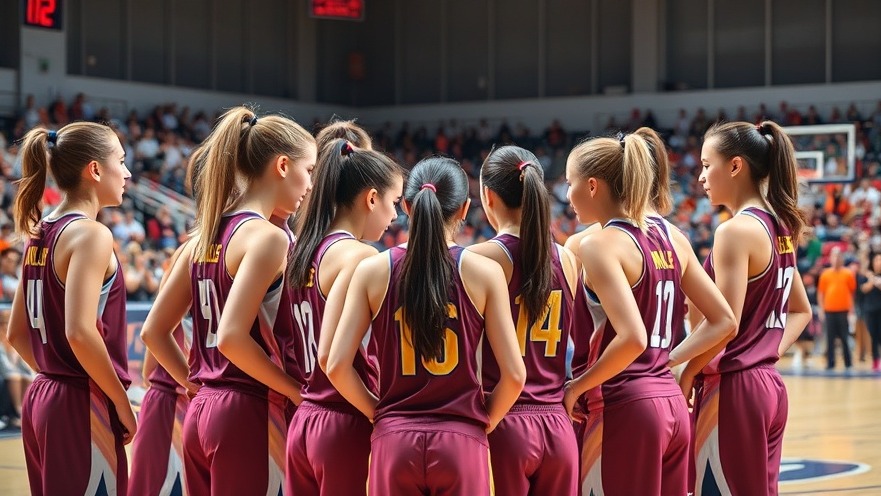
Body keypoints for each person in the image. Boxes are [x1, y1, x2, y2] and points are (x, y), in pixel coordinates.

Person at [141, 107, 316, 495]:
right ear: (283, 165)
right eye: (309, 170)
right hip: (249, 411)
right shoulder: (267, 238)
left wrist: (195, 385)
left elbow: (154, 332)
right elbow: (231, 338)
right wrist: (293, 390)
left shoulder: (201, 237)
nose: (310, 184)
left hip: (203, 411)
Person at [327, 157, 526, 495]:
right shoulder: (484, 271)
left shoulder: (372, 270)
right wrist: (483, 422)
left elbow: (336, 366)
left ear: (407, 205)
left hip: (394, 441)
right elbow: (515, 376)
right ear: (464, 209)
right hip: (461, 440)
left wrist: (380, 414)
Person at [562, 133, 736, 495]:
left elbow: (633, 338)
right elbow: (724, 320)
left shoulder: (595, 244)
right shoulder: (672, 234)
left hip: (624, 406)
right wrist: (671, 362)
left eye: (569, 183)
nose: (566, 196)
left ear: (592, 186)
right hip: (671, 403)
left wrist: (577, 386)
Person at [684, 120, 812, 495]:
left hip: (734, 389)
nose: (702, 176)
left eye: (708, 165)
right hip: (769, 385)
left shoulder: (735, 231)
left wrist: (680, 366)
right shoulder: (778, 226)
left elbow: (725, 324)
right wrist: (766, 349)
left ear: (736, 166)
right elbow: (801, 311)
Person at [7, 123, 135, 495]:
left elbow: (17, 333)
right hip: (79, 401)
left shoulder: (41, 232)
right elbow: (79, 332)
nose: (127, 173)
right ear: (95, 170)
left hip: (43, 394)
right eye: (121, 162)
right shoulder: (92, 234)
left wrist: (54, 374)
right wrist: (121, 404)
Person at [285, 139, 404, 495]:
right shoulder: (359, 257)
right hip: (345, 420)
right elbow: (333, 359)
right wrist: (375, 412)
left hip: (306, 419)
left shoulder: (303, 249)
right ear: (371, 199)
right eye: (393, 203)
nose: (395, 215)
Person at [466, 145, 580, 494]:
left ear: (487, 195)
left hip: (500, 420)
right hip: (557, 426)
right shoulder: (568, 258)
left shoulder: (477, 258)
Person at [129, 145, 207, 496]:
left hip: (173, 398)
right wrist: (196, 387)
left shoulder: (191, 249)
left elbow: (147, 369)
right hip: (179, 402)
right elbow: (153, 338)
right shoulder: (196, 251)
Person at [818, 246, 856, 371]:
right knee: (830, 338)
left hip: (843, 310)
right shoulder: (825, 274)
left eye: (838, 256)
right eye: (833, 256)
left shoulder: (848, 273)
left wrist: (851, 309)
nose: (836, 259)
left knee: (845, 337)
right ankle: (830, 363)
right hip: (829, 310)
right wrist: (822, 309)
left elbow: (852, 292)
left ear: (842, 258)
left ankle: (848, 363)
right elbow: (821, 293)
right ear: (830, 258)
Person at [859, 252, 881, 372]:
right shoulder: (865, 276)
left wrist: (873, 278)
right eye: (877, 260)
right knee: (873, 335)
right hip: (870, 310)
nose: (879, 262)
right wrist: (872, 279)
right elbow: (864, 289)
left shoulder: (870, 276)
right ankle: (876, 361)